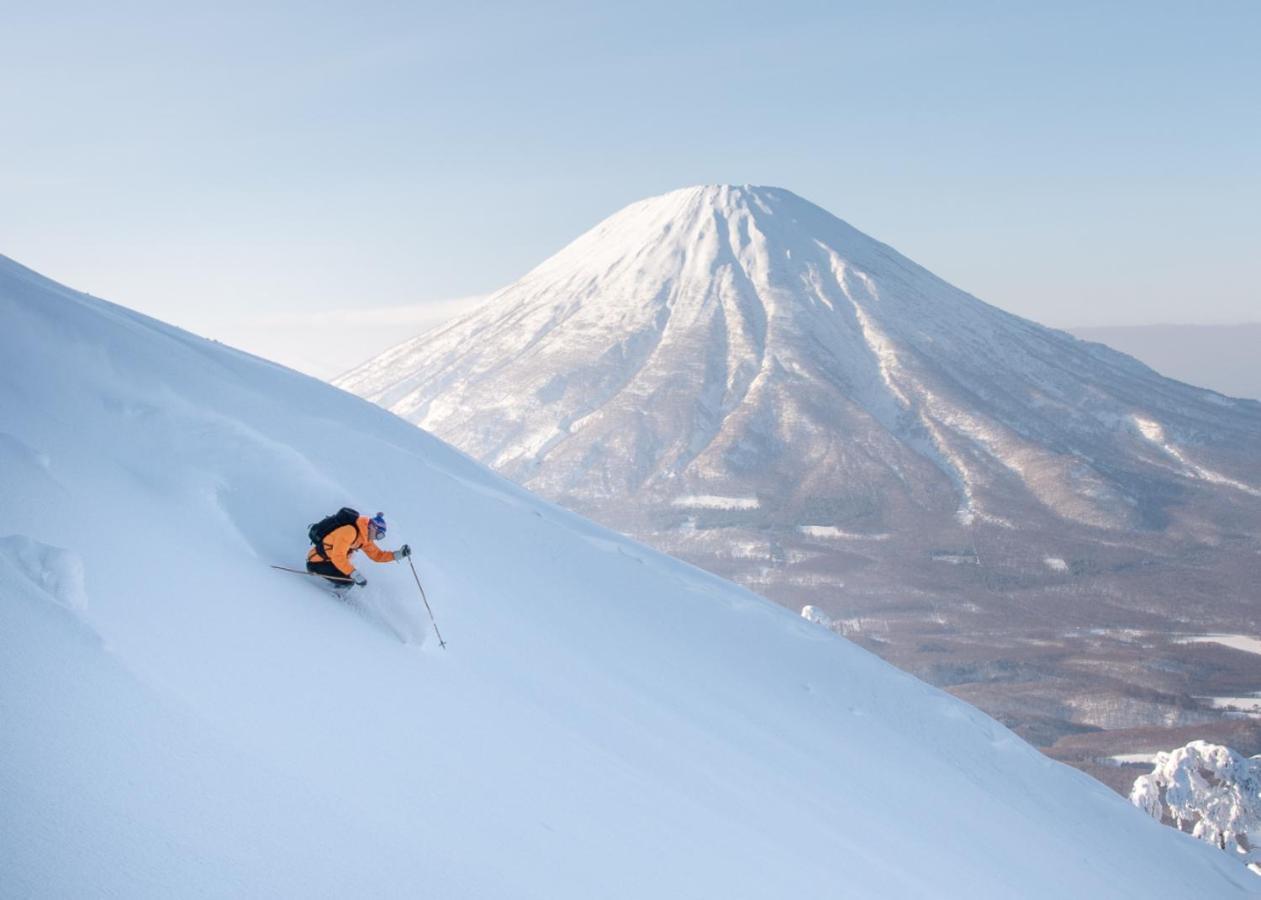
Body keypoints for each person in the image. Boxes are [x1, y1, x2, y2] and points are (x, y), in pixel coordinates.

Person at [307, 511, 410, 589]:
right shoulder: (350, 531)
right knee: (348, 581)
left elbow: (377, 555)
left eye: (380, 536)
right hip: (317, 562)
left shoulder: (364, 539)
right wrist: (354, 573)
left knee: (349, 581)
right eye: (379, 534)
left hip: (330, 563)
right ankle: (328, 597)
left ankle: (333, 592)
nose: (377, 538)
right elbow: (338, 556)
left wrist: (399, 554)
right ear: (373, 527)